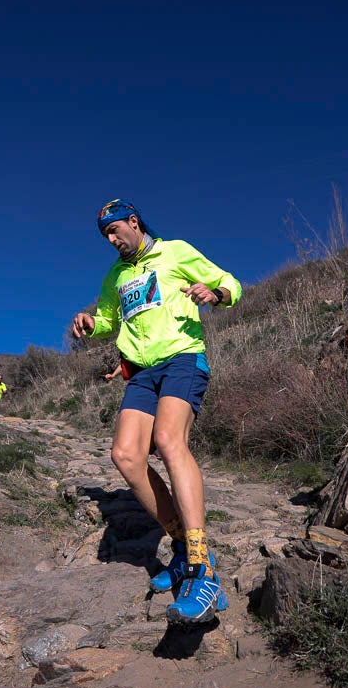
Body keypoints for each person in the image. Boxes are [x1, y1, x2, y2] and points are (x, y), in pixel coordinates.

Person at [71, 198, 241, 625]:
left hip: (184, 357)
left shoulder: (176, 251)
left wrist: (215, 293)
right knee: (126, 456)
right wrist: (93, 324)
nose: (111, 240)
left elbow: (230, 284)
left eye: (115, 230)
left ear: (133, 222)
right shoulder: (115, 276)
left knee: (168, 441)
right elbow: (111, 318)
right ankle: (182, 547)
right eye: (105, 236)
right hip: (142, 371)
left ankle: (203, 572)